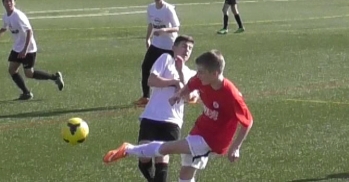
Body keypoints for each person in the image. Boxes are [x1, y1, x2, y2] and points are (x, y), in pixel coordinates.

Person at [104, 50, 254, 182]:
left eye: (201, 72)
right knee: (185, 176)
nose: (198, 74)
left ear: (214, 74)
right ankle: (128, 149)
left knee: (167, 148)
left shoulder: (231, 95)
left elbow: (248, 122)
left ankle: (128, 149)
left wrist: (236, 147)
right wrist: (179, 94)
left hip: (211, 140)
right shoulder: (201, 80)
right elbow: (190, 85)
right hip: (199, 130)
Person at [134, 35, 197, 182]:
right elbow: (151, 80)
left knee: (161, 159)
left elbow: (190, 97)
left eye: (190, 48)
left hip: (172, 121)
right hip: (151, 116)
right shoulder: (165, 59)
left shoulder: (192, 74)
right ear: (174, 48)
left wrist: (181, 73)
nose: (187, 50)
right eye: (184, 46)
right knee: (144, 156)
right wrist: (174, 82)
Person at [0, 0, 64, 100]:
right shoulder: (5, 16)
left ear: (14, 2)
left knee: (29, 74)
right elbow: (4, 28)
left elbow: (29, 31)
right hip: (18, 47)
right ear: (3, 3)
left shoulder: (18, 16)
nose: (9, 3)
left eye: (11, 1)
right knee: (12, 70)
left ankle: (54, 78)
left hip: (28, 48)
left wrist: (25, 50)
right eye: (6, 1)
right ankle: (26, 93)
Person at [135, 0, 181, 108]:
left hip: (169, 46)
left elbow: (177, 27)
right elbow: (151, 24)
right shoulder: (150, 8)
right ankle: (146, 97)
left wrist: (164, 30)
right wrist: (147, 39)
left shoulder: (168, 9)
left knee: (175, 71)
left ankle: (183, 93)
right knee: (145, 67)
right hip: (156, 45)